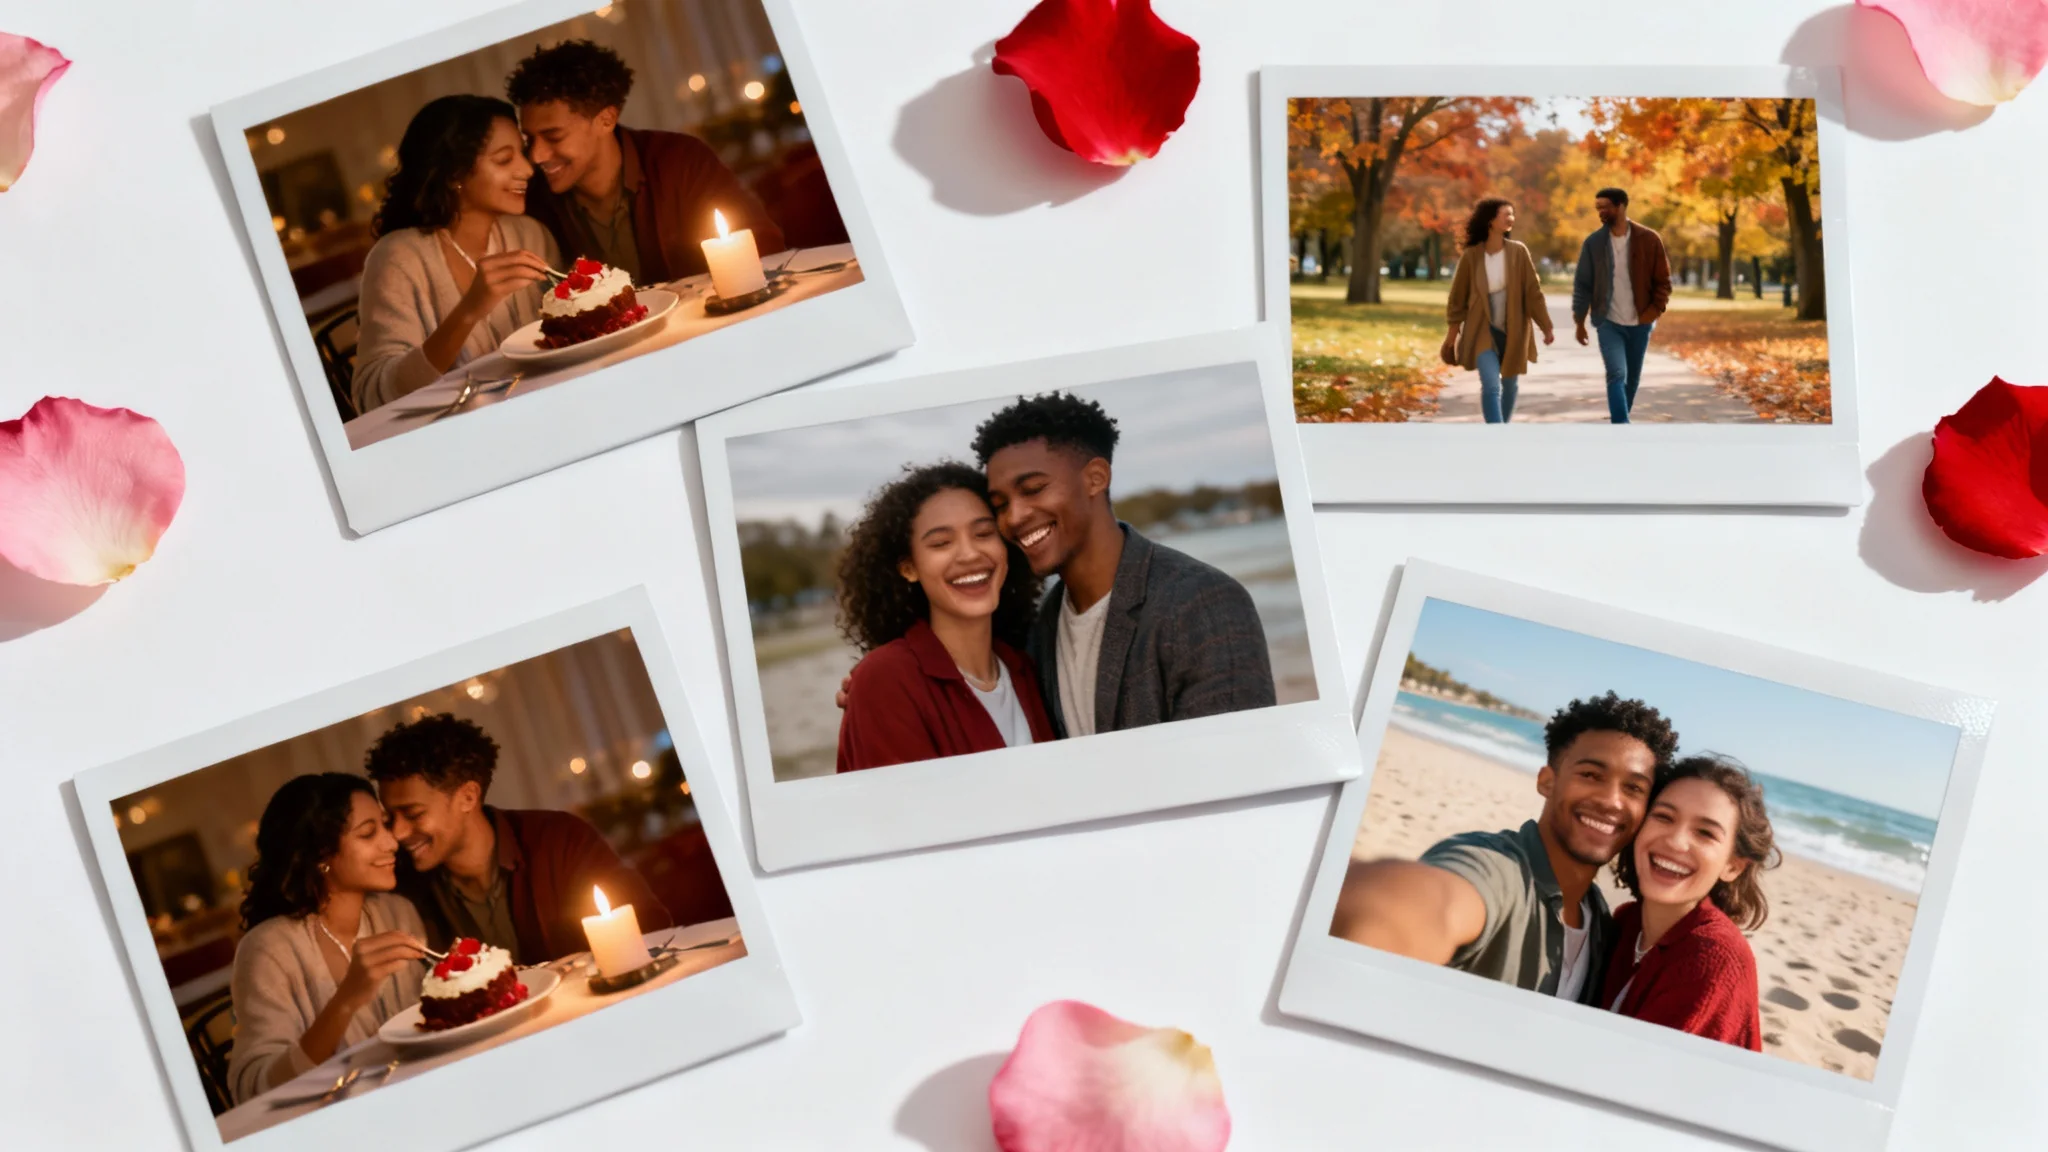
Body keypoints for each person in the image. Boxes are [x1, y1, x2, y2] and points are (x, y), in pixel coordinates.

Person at [1330, 693, 1677, 1004]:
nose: (1611, 801)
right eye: (1590, 775)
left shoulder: (1602, 923)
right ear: (1547, 781)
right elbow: (1431, 900)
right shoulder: (1496, 869)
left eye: (1633, 788)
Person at [972, 392, 1276, 736]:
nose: (1013, 517)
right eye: (1000, 504)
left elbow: (1236, 758)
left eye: (1033, 488)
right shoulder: (1043, 628)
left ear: (1096, 477)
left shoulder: (1204, 603)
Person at [366, 713, 673, 964]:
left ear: (468, 797)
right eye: (390, 817)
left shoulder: (560, 840)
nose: (397, 833)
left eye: (413, 813)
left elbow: (651, 929)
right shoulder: (401, 883)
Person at [835, 462, 1055, 771]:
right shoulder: (887, 680)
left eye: (983, 533)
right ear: (908, 568)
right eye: (941, 543)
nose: (969, 554)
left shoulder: (1025, 668)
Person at [507, 40, 784, 284]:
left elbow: (763, 245)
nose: (536, 156)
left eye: (553, 136)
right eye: (529, 138)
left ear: (606, 120)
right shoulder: (535, 198)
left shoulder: (680, 160)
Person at [351, 94, 560, 413]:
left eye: (521, 153)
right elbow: (373, 396)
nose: (527, 169)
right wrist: (469, 311)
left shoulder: (530, 234)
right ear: (453, 175)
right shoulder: (398, 257)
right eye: (504, 160)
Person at [225, 774, 426, 1103]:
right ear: (321, 853)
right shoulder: (269, 948)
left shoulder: (398, 913)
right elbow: (254, 1090)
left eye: (385, 825)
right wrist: (346, 1000)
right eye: (368, 833)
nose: (392, 842)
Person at [1600, 755, 1778, 1050]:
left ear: (1732, 866)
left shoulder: (1715, 958)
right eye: (1664, 817)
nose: (1676, 841)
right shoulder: (1625, 922)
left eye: (1705, 833)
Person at [1442, 198, 1555, 423]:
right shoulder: (1471, 256)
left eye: (1512, 214)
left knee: (1510, 385)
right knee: (1491, 385)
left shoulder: (1518, 252)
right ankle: (1496, 432)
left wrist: (1546, 326)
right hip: (1481, 329)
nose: (1511, 218)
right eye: (1506, 214)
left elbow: (1533, 293)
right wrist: (1451, 337)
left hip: (1514, 329)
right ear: (1490, 220)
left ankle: (1502, 427)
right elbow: (1457, 300)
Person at [1571, 187, 1673, 423]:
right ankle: (1621, 426)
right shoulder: (1594, 243)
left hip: (1641, 322)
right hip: (1609, 321)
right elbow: (1582, 284)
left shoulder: (1649, 239)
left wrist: (1653, 312)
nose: (1601, 212)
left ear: (1621, 206)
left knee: (1632, 378)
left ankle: (1620, 419)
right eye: (1598, 208)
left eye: (1605, 207)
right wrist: (1579, 321)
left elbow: (1663, 282)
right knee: (1617, 373)